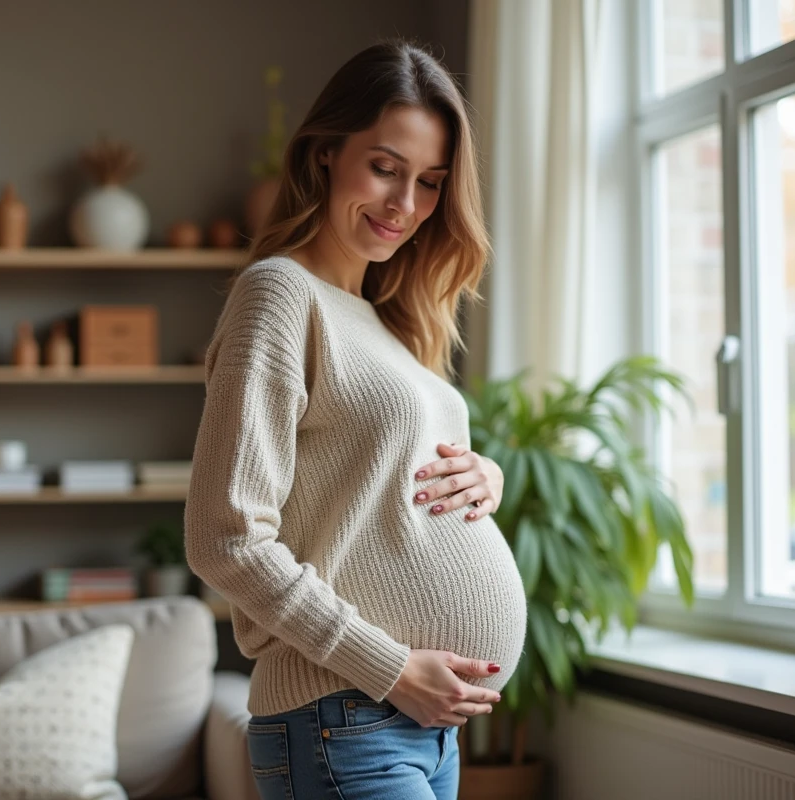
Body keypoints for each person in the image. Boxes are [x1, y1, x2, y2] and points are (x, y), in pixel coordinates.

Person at [183, 38, 528, 800]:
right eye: (384, 167)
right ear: (326, 153)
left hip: (415, 730)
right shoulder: (279, 296)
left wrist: (487, 477)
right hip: (344, 717)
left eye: (431, 182)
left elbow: (384, 481)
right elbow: (225, 537)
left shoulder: (388, 320)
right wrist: (393, 669)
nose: (405, 205)